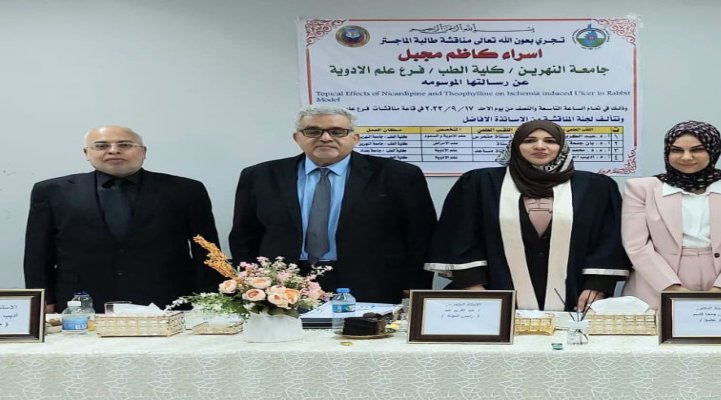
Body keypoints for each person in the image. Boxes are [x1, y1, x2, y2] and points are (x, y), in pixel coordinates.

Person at [229, 105, 436, 304]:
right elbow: (243, 236)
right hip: (283, 286)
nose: (325, 138)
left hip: (373, 283)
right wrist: (250, 282)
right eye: (313, 131)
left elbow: (421, 236)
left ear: (355, 138)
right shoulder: (260, 176)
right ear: (297, 137)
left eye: (337, 131)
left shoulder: (398, 175)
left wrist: (416, 286)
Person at [425, 120, 630, 311]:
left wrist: (597, 285)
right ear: (515, 146)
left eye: (550, 141)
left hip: (576, 296)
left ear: (562, 147)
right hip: (493, 295)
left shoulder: (595, 187)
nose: (540, 146)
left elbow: (608, 239)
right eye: (530, 140)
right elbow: (461, 235)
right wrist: (473, 287)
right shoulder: (480, 183)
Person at [23, 125, 219, 312]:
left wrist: (210, 299)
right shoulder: (52, 191)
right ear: (86, 153)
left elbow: (208, 251)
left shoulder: (186, 190)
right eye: (101, 145)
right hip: (80, 305)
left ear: (143, 151)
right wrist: (43, 300)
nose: (113, 150)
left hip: (168, 301)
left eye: (125, 145)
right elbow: (38, 254)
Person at [621, 121, 721, 309]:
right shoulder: (641, 189)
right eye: (676, 150)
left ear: (713, 150)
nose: (686, 157)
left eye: (697, 150)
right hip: (657, 286)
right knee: (659, 327)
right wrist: (672, 289)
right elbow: (636, 245)